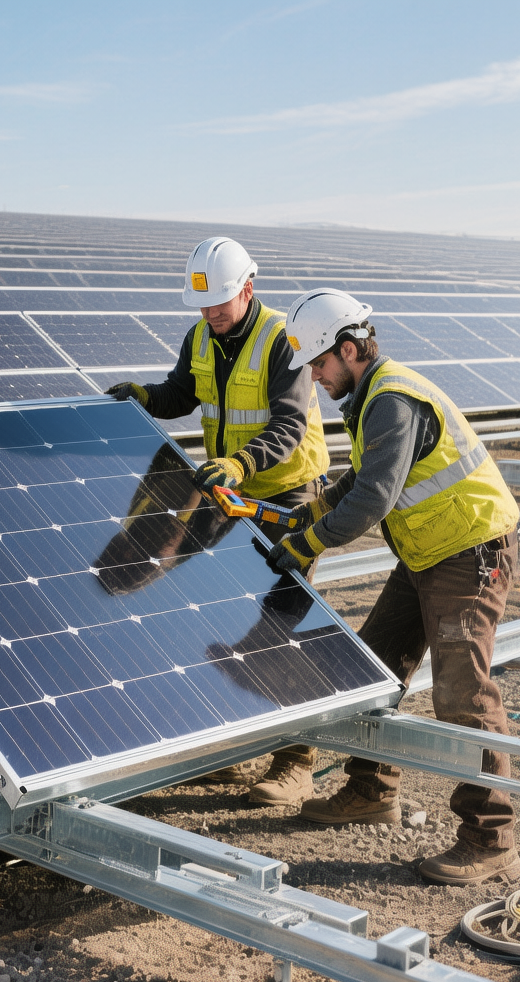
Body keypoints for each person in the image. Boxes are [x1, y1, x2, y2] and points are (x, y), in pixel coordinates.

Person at [266, 288, 520, 885]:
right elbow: (367, 472)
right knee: (375, 662)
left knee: (463, 694)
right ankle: (371, 788)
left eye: (320, 364)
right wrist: (314, 510)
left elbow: (375, 497)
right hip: (428, 551)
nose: (315, 378)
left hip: (471, 551)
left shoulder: (391, 399)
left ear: (350, 349)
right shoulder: (373, 397)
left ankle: (492, 839)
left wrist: (310, 541)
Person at [106, 236, 330, 806]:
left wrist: (238, 462)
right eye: (202, 305)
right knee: (203, 601)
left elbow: (288, 425)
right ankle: (229, 752)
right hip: (225, 489)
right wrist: (145, 396)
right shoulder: (201, 336)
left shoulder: (283, 340)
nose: (209, 314)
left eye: (220, 303)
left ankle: (296, 761)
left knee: (279, 617)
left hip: (286, 495)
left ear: (248, 289)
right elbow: (182, 392)